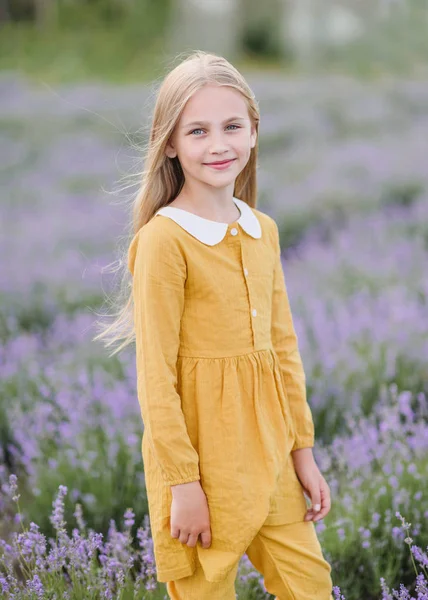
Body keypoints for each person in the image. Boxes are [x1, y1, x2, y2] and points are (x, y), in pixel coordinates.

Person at [120, 50, 334, 599]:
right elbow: (155, 377)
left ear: (255, 132)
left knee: (309, 584)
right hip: (199, 466)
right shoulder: (164, 241)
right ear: (170, 143)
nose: (219, 144)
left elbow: (284, 350)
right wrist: (182, 485)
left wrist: (302, 454)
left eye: (232, 126)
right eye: (197, 131)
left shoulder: (263, 229)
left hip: (272, 454)